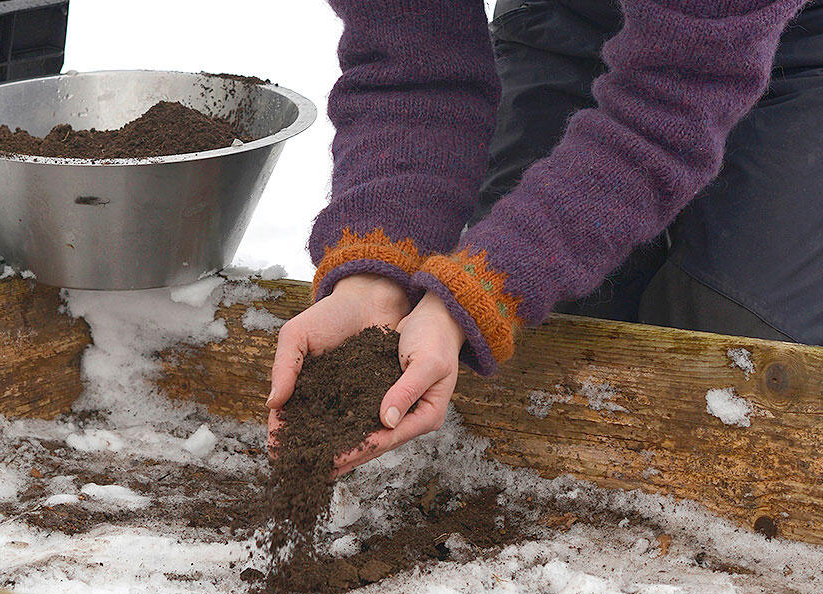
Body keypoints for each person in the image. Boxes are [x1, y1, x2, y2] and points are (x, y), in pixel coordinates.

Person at [267, 0, 823, 475]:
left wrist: (483, 288)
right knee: (543, 343)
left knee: (739, 360)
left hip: (801, 42)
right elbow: (414, 69)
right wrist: (374, 277)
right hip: (565, 17)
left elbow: (672, 102)